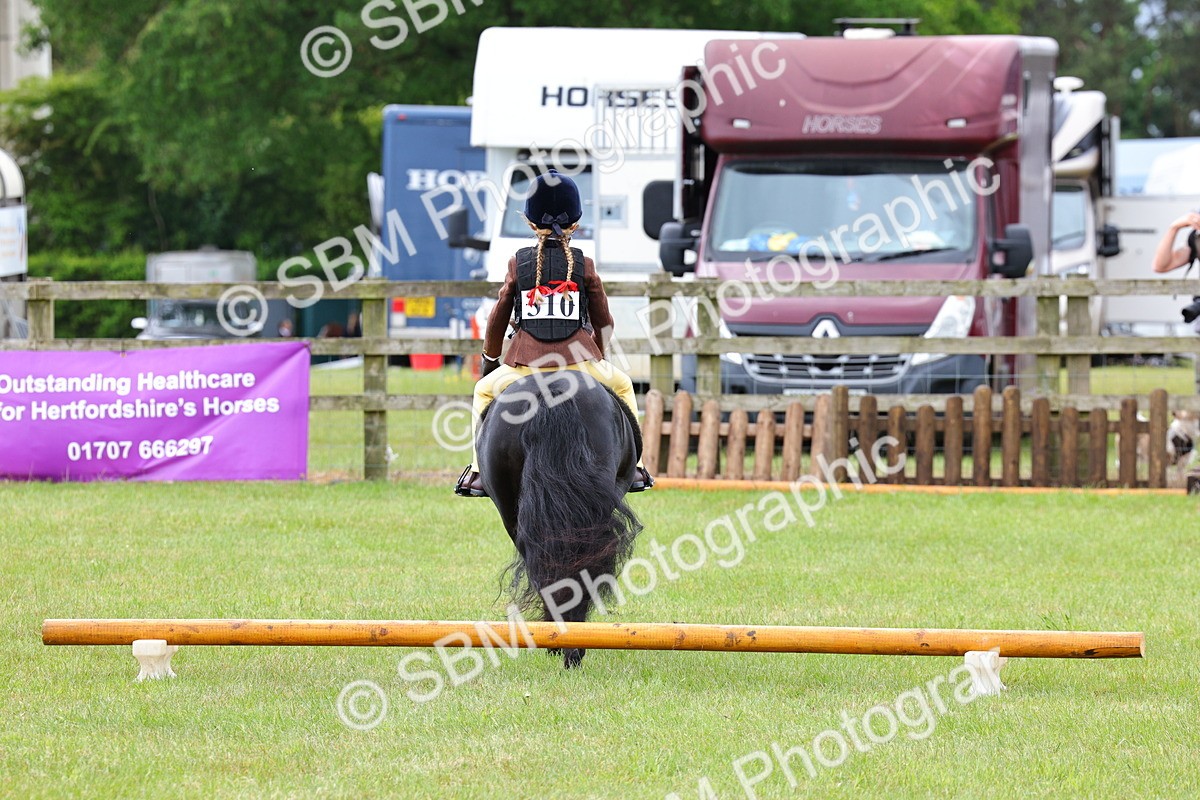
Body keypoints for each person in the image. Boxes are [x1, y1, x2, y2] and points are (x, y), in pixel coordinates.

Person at [455, 169, 654, 497]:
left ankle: (477, 473)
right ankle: (635, 467)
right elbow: (605, 321)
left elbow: (498, 317)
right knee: (623, 384)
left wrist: (491, 358)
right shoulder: (584, 264)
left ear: (530, 223)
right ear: (575, 223)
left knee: (483, 391)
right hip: (579, 363)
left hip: (525, 367)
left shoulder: (517, 264)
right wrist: (597, 354)